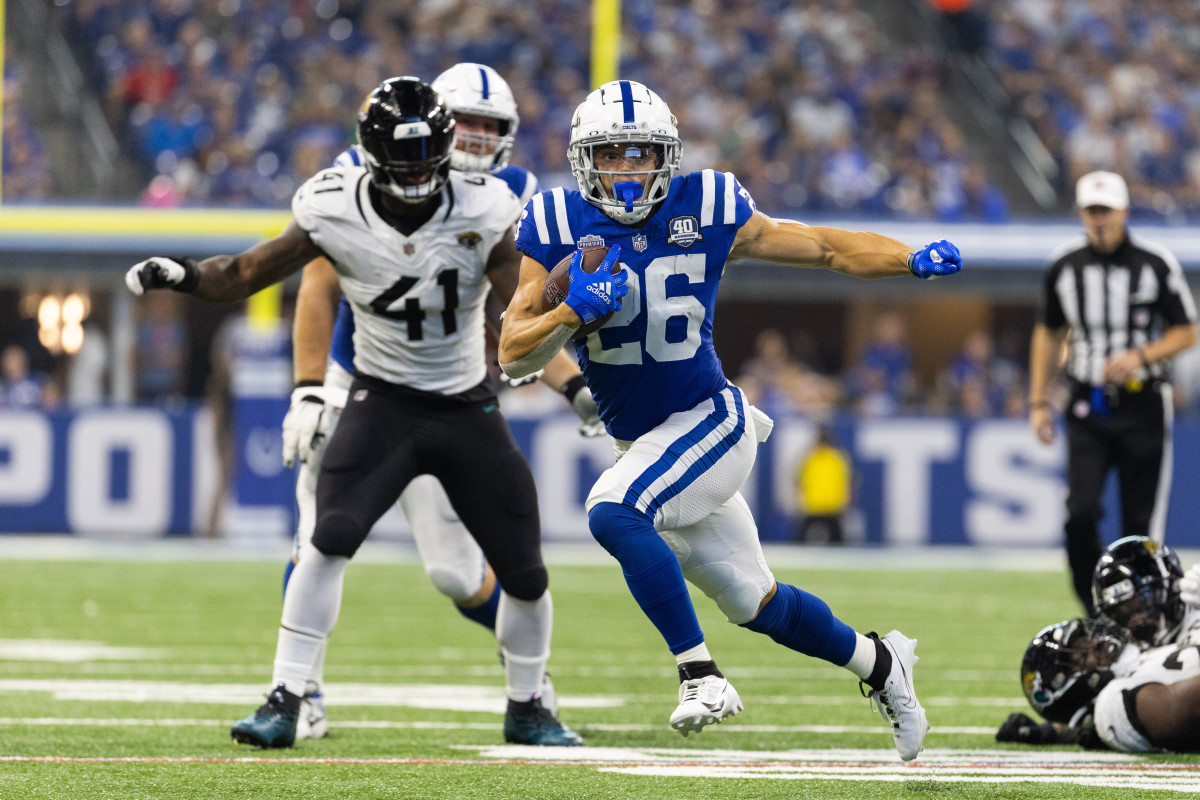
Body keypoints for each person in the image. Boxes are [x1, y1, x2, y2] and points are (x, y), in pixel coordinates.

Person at [497, 79, 963, 761]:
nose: (628, 172)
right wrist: (570, 312)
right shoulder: (554, 224)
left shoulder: (709, 205)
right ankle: (883, 665)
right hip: (646, 439)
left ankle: (700, 675)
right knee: (756, 602)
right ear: (584, 162)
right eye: (613, 156)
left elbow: (825, 247)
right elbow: (512, 353)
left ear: (667, 158)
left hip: (710, 419)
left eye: (642, 155)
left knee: (612, 510)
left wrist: (908, 260)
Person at [125, 77, 581, 748]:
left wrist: (578, 314)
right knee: (326, 536)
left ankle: (529, 705)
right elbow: (250, 272)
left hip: (463, 402)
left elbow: (523, 307)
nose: (417, 178)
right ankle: (288, 696)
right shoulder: (334, 202)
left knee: (523, 569)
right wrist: (186, 276)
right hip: (378, 396)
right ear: (370, 157)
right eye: (404, 165)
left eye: (428, 162)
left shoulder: (489, 204)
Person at [278, 63, 599, 741]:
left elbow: (512, 320)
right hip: (357, 379)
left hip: (449, 390)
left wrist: (572, 383)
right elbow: (315, 283)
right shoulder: (362, 171)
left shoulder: (506, 196)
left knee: (457, 573)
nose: (479, 140)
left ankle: (528, 680)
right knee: (319, 533)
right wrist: (309, 385)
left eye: (492, 128)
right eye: (469, 123)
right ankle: (297, 692)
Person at [1028, 170, 1198, 614]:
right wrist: (1039, 401)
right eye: (1092, 210)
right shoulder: (1065, 267)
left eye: (1106, 210)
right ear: (1082, 212)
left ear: (1123, 211)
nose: (1099, 219)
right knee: (1080, 512)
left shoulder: (1155, 264)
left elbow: (1187, 331)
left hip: (1144, 404)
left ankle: (1147, 620)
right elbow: (1047, 334)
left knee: (1140, 527)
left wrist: (1141, 357)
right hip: (1088, 404)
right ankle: (1097, 610)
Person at [999, 536, 1200, 753]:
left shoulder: (1149, 649)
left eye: (1087, 639)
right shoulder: (1114, 701)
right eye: (1082, 658)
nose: (1097, 644)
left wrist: (1055, 732)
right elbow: (1178, 706)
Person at [794, 425, 853, 545]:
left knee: (837, 541)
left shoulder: (832, 458)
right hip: (817, 506)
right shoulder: (834, 458)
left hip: (826, 506)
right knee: (802, 541)